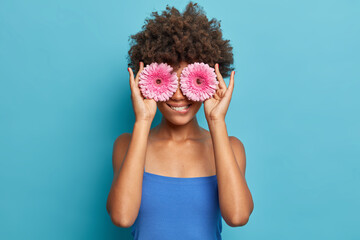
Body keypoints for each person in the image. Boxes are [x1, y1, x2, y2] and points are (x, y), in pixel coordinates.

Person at [106, 2, 254, 239]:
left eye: (190, 81)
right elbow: (122, 217)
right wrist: (143, 121)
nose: (177, 95)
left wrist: (217, 121)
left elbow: (237, 217)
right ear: (150, 81)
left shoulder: (231, 148)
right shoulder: (126, 145)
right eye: (168, 81)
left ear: (209, 81)